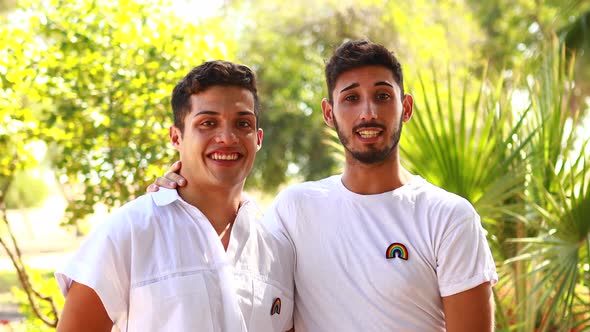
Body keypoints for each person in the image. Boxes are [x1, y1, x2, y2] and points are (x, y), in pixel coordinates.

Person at [152, 40, 498, 331]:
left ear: (404, 107)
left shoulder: (448, 217)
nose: (368, 113)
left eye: (382, 96)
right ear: (329, 113)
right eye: (350, 98)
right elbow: (236, 266)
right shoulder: (294, 209)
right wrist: (180, 192)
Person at [55, 60, 294, 332]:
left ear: (258, 138)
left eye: (243, 123)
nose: (227, 137)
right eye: (208, 123)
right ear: (176, 137)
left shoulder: (277, 248)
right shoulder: (129, 232)